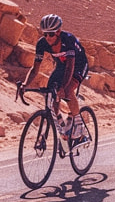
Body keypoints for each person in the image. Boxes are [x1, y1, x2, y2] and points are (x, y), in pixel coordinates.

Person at [20, 14, 90, 145]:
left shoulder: (68, 40)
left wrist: (63, 88)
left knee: (68, 91)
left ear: (58, 32)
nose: (47, 37)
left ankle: (79, 126)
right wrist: (25, 84)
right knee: (51, 97)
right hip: (61, 66)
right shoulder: (42, 44)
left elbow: (70, 66)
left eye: (51, 34)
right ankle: (63, 128)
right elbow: (35, 69)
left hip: (79, 65)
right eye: (45, 34)